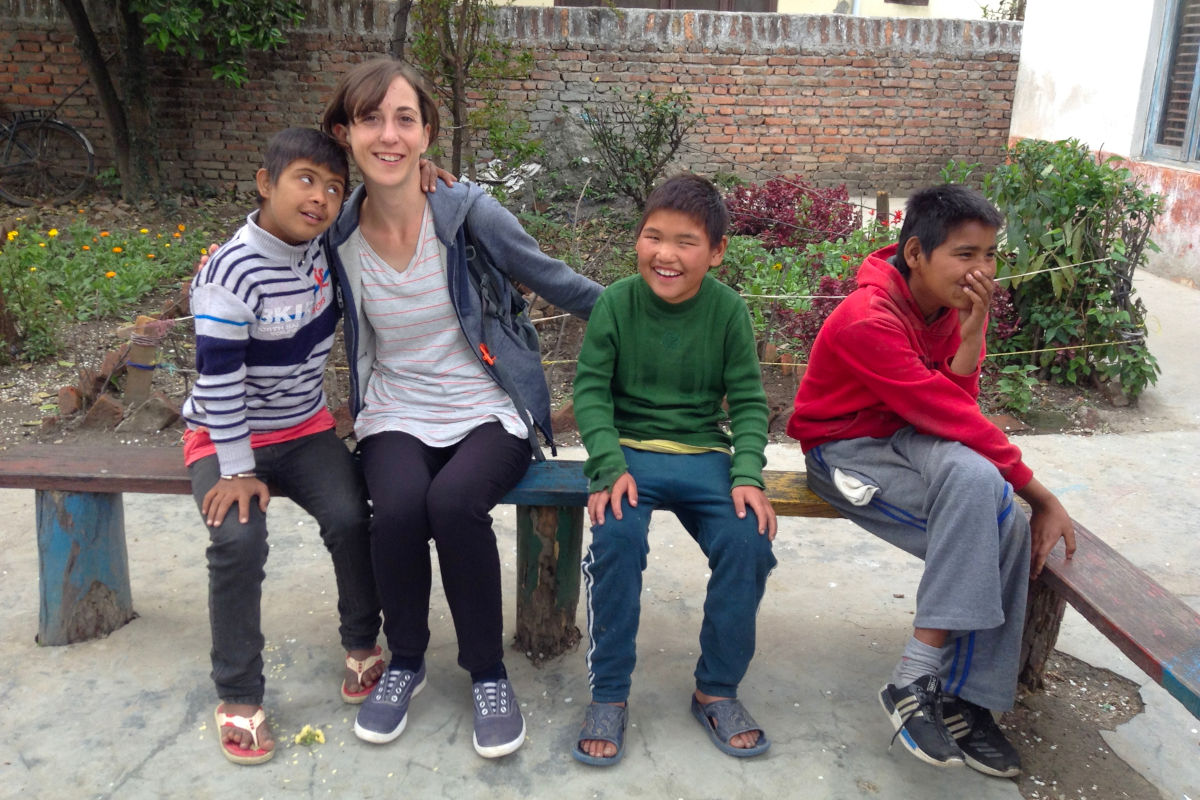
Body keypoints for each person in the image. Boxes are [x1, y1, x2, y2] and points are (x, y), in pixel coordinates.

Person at [318, 58, 603, 758]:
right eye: (371, 119)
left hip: (487, 407)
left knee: (453, 505)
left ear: (426, 134)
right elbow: (271, 241)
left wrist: (655, 315)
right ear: (344, 133)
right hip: (394, 410)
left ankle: (487, 675)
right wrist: (224, 262)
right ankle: (407, 662)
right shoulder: (337, 233)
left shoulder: (469, 213)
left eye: (405, 119)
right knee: (400, 505)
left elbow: (553, 278)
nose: (389, 135)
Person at [786, 184, 1076, 777]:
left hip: (908, 437)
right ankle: (923, 681)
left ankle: (961, 698)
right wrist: (1041, 496)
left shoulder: (944, 308)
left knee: (983, 490)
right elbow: (951, 417)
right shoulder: (869, 319)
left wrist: (971, 333)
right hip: (844, 452)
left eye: (991, 254)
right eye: (966, 254)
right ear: (916, 253)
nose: (982, 270)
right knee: (1004, 521)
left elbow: (953, 410)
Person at [183, 127, 384, 765]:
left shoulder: (324, 244)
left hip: (304, 429)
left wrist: (425, 170)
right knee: (239, 539)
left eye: (332, 188)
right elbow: (218, 380)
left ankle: (361, 646)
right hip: (222, 434)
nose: (321, 198)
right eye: (305, 180)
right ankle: (238, 694)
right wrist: (237, 469)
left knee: (352, 515)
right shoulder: (230, 272)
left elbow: (374, 201)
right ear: (266, 183)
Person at [570, 173, 778, 766]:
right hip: (629, 454)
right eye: (652, 236)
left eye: (685, 241)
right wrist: (607, 465)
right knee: (617, 538)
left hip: (703, 457)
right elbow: (590, 391)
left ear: (715, 252)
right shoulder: (615, 303)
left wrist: (747, 473)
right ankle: (609, 694)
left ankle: (717, 688)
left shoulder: (728, 311)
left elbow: (748, 401)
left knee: (748, 541)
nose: (665, 254)